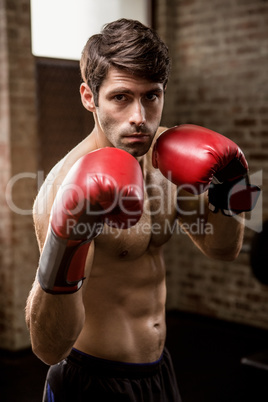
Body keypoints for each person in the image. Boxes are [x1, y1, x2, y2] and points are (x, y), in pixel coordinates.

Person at [25, 18, 260, 402]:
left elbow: (222, 248)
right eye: (121, 97)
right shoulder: (63, 189)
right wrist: (66, 241)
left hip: (158, 370)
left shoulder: (171, 157)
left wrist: (235, 185)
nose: (139, 116)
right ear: (89, 97)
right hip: (91, 381)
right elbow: (48, 348)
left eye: (151, 96)